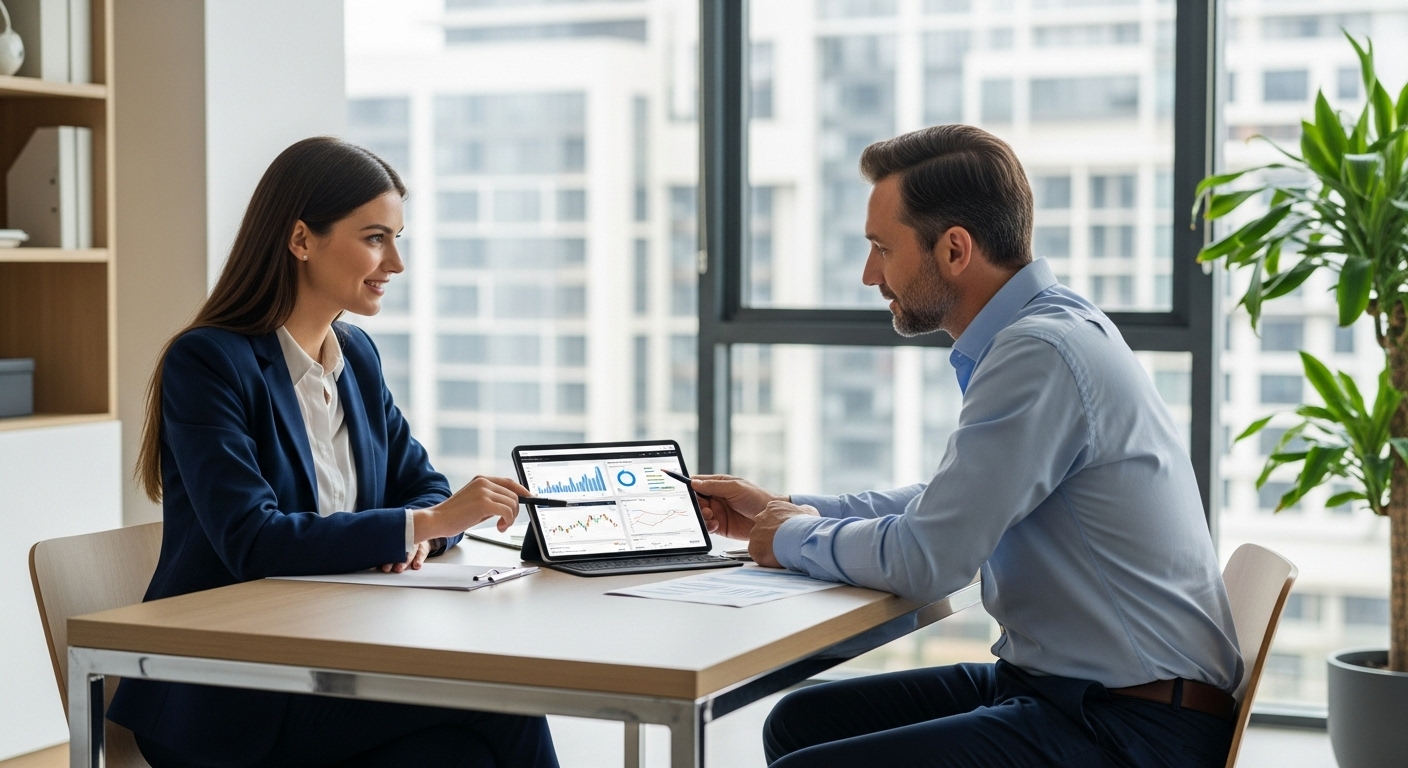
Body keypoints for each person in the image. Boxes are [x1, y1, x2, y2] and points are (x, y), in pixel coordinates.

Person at [692, 125, 1243, 768]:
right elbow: (950, 505)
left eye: (881, 248)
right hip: (1069, 690)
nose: (870, 274)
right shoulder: (1047, 328)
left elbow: (929, 557)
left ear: (954, 249)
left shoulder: (1040, 352)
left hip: (1131, 727)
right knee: (802, 721)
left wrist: (789, 537)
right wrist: (780, 510)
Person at [107, 137, 559, 768]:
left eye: (398, 238)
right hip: (230, 691)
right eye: (376, 237)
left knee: (462, 751)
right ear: (301, 240)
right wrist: (422, 526)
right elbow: (253, 540)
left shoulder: (357, 359)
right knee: (502, 703)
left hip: (338, 659)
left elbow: (422, 486)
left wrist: (419, 532)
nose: (395, 262)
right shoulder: (210, 362)